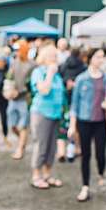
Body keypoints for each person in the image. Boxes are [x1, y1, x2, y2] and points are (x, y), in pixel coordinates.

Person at [69, 49, 106, 202]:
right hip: (84, 121)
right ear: (90, 59)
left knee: (100, 153)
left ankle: (101, 174)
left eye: (102, 57)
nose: (101, 60)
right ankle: (85, 186)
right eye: (98, 57)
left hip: (101, 122)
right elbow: (74, 105)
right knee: (85, 155)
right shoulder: (82, 79)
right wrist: (72, 125)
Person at [29, 45, 66, 190]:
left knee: (52, 146)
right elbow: (44, 90)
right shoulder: (38, 72)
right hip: (41, 113)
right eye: (52, 56)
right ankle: (36, 175)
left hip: (56, 114)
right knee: (41, 144)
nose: (55, 59)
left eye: (56, 56)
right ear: (44, 57)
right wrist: (50, 73)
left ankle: (47, 174)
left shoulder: (57, 75)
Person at [6, 41, 35, 160]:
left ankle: (20, 148)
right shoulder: (14, 63)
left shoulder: (32, 65)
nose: (17, 52)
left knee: (23, 126)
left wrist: (20, 91)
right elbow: (9, 78)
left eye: (19, 50)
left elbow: (31, 84)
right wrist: (8, 90)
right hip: (13, 99)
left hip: (25, 100)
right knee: (13, 126)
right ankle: (22, 142)